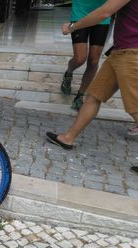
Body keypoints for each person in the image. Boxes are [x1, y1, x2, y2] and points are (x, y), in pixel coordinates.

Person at [46, 0, 138, 150]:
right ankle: (68, 138)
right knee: (94, 96)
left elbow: (105, 12)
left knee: (135, 108)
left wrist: (72, 27)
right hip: (119, 52)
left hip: (131, 54)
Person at [60, 0, 111, 111]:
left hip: (102, 16)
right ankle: (68, 73)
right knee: (80, 58)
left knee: (93, 61)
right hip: (80, 13)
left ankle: (80, 95)